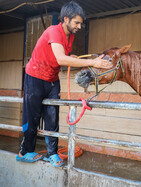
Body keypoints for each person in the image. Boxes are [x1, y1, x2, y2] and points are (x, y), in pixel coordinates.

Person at [16, 1, 112, 167]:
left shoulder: (71, 36)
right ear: (66, 19)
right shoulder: (54, 31)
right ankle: (24, 152)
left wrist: (72, 57)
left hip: (52, 80)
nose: (79, 26)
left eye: (81, 23)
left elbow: (58, 56)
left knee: (52, 119)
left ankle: (52, 154)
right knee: (32, 117)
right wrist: (92, 63)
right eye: (76, 23)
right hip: (35, 77)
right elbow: (60, 58)